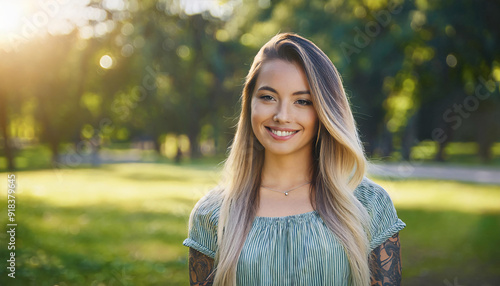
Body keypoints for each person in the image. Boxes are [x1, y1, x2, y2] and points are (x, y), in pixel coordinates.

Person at [182, 32, 406, 286]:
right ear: (249, 103)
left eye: (302, 101)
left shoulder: (368, 205)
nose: (282, 115)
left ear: (324, 110)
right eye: (268, 97)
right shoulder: (213, 214)